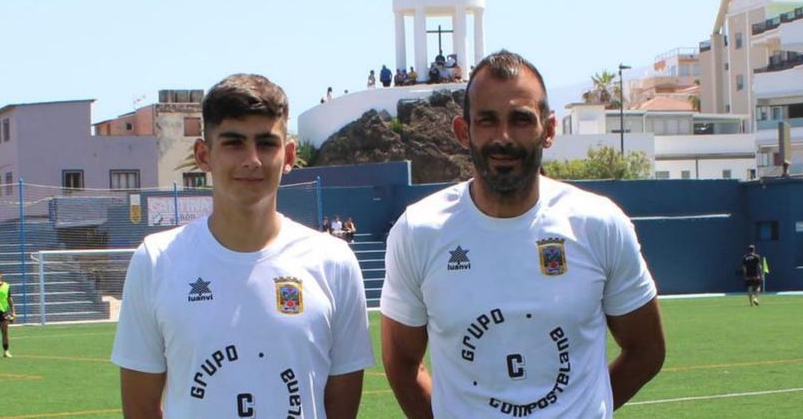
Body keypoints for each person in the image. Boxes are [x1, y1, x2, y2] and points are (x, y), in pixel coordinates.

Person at [380, 50, 665, 418]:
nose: (504, 137)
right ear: (463, 131)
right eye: (487, 120)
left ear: (548, 130)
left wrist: (585, 407)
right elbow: (402, 363)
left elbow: (647, 351)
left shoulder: (600, 224)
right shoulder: (419, 231)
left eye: (520, 120)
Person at [111, 74, 374, 418]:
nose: (252, 159)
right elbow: (141, 408)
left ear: (289, 154)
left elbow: (340, 407)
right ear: (204, 155)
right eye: (234, 143)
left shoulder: (334, 261)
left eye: (266, 143)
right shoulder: (157, 259)